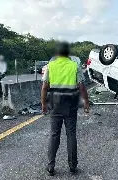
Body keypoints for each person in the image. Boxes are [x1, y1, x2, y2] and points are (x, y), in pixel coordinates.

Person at [41, 41, 90, 176]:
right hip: (70, 105)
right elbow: (81, 87)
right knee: (71, 134)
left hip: (55, 105)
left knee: (54, 134)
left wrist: (44, 104)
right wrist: (86, 102)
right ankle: (73, 166)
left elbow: (45, 87)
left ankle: (51, 165)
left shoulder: (50, 65)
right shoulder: (74, 66)